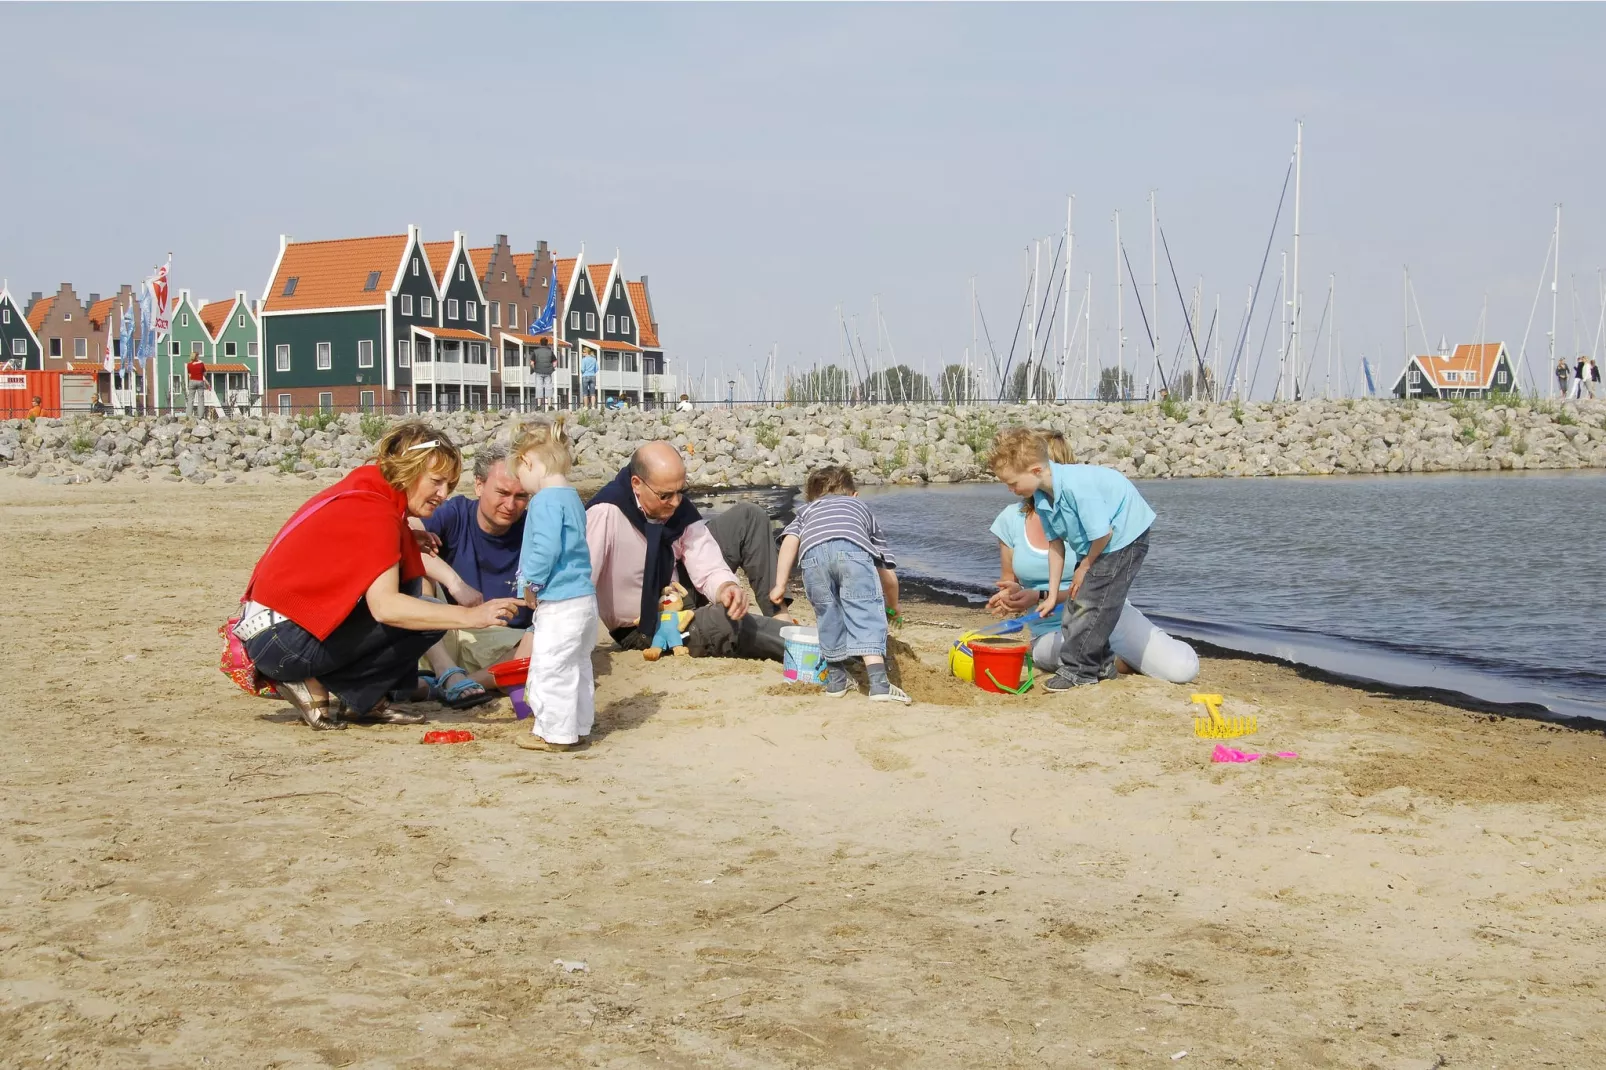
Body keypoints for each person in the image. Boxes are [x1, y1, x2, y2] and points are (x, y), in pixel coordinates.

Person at [237, 421, 523, 730]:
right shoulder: (378, 513)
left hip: (268, 632)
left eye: (450, 486)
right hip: (281, 642)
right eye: (437, 482)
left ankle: (362, 698)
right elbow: (386, 607)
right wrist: (472, 617)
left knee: (415, 590)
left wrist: (403, 539)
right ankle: (327, 686)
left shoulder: (366, 490)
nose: (443, 494)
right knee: (423, 614)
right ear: (409, 471)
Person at [986, 430, 1197, 683]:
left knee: (1087, 601)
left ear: (1036, 470)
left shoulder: (1078, 488)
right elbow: (1056, 545)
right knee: (1079, 605)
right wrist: (1051, 595)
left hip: (1125, 535)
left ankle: (1081, 672)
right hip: (1094, 558)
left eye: (1012, 483)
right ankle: (1102, 664)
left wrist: (1085, 565)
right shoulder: (1040, 499)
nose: (1010, 490)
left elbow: (1103, 534)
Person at [586, 441, 790, 660]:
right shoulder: (604, 514)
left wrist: (725, 587)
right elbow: (581, 583)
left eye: (681, 491)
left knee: (749, 516)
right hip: (645, 626)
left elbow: (706, 560)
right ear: (636, 484)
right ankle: (799, 643)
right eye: (665, 496)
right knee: (725, 620)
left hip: (678, 592)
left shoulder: (677, 506)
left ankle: (780, 616)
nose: (675, 503)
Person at [770, 466, 909, 703]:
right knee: (865, 612)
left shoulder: (807, 511)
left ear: (813, 498)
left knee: (828, 615)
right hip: (852, 553)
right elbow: (886, 573)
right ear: (854, 494)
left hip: (813, 559)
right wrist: (893, 605)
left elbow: (790, 541)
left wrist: (780, 584)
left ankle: (836, 681)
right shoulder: (861, 508)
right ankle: (879, 684)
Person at [415, 442, 534, 700]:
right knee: (419, 568)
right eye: (502, 493)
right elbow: (403, 535)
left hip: (501, 640)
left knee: (543, 643)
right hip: (443, 633)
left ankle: (460, 684)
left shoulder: (534, 529)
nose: (511, 505)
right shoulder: (455, 514)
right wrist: (455, 582)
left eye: (521, 496)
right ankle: (445, 672)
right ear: (479, 485)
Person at [510, 419, 598, 752]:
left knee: (550, 667)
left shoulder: (545, 501)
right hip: (584, 600)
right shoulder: (573, 497)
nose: (523, 486)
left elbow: (546, 547)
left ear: (529, 461)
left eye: (521, 477)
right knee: (578, 665)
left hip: (559, 601)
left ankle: (554, 733)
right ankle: (578, 726)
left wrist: (531, 582)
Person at [186, 353, 208, 417]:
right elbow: (205, 374)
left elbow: (189, 375)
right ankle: (200, 416)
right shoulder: (201, 364)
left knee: (190, 399)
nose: (199, 357)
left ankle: (189, 416)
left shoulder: (189, 365)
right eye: (198, 356)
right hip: (200, 381)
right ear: (196, 357)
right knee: (200, 399)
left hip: (192, 381)